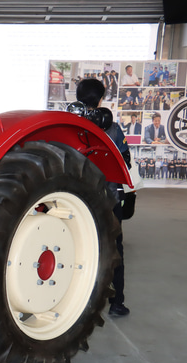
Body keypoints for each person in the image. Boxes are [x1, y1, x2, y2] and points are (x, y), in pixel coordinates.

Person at [76, 78, 130, 316]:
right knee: (114, 251)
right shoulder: (113, 129)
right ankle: (117, 303)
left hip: (76, 202)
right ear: (100, 100)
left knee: (78, 250)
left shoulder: (69, 124)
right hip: (109, 199)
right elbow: (125, 161)